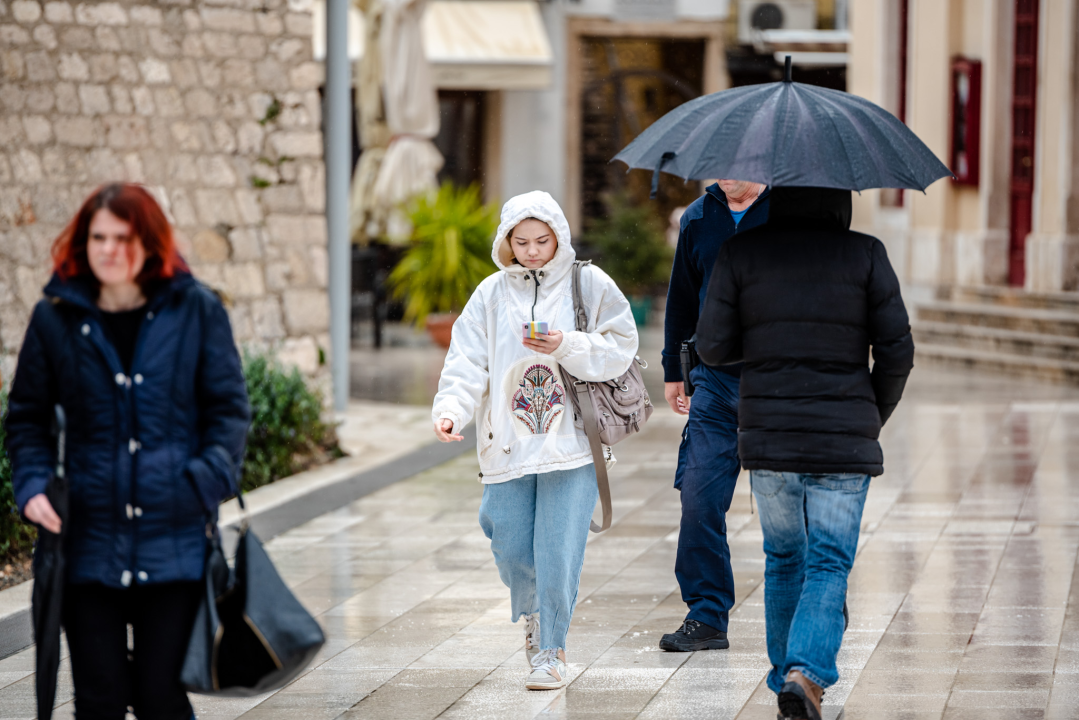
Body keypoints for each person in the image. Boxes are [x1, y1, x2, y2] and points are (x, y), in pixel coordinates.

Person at [5, 183, 250, 719]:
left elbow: (229, 411)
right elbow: (26, 417)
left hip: (175, 543)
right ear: (82, 242)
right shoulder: (55, 318)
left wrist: (204, 482)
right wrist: (33, 487)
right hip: (85, 546)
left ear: (150, 242)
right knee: (100, 699)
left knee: (163, 698)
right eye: (98, 237)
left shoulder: (197, 311)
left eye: (123, 236)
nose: (109, 249)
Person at [695, 186, 914, 720]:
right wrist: (871, 414)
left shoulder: (741, 253)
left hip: (770, 436)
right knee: (829, 560)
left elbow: (713, 346)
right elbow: (897, 351)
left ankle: (788, 681)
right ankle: (804, 674)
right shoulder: (865, 254)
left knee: (785, 556)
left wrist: (766, 340)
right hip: (843, 437)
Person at [432, 190, 638, 690]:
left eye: (541, 240)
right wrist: (450, 410)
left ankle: (551, 646)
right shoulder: (489, 293)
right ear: (506, 242)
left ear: (558, 237)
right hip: (507, 442)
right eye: (520, 241)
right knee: (505, 535)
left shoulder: (588, 283)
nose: (531, 251)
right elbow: (467, 359)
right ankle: (534, 614)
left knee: (559, 547)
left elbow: (622, 345)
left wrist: (566, 344)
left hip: (572, 441)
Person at [658, 179, 769, 652]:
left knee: (790, 510)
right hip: (715, 381)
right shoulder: (699, 218)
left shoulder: (791, 210)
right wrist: (672, 369)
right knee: (698, 499)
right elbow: (682, 296)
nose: (728, 174)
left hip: (776, 384)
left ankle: (816, 601)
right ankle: (706, 614)